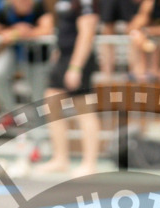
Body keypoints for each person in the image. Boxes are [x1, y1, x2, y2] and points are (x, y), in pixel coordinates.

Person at [34, 0, 100, 177]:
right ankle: (60, 159)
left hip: (78, 58)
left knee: (84, 109)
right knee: (51, 101)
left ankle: (89, 163)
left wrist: (76, 67)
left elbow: (87, 33)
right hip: (63, 56)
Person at [0, 0, 54, 119]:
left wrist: (28, 33)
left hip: (38, 56)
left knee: (38, 95)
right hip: (16, 51)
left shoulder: (38, 5)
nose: (25, 3)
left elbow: (48, 29)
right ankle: (10, 114)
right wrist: (15, 32)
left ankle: (40, 130)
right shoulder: (5, 8)